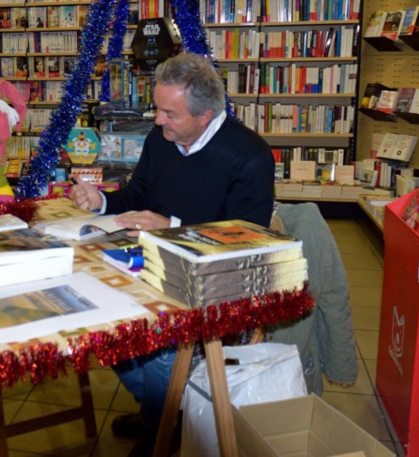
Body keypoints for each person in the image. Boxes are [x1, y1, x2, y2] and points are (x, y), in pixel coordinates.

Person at [69, 51, 274, 455]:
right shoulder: (160, 139)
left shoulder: (249, 156)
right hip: (147, 262)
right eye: (158, 110)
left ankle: (168, 423)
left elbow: (249, 240)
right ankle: (161, 413)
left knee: (159, 339)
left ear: (206, 115)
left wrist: (174, 226)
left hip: (210, 279)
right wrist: (101, 202)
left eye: (170, 114)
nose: (159, 120)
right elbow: (137, 196)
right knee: (95, 316)